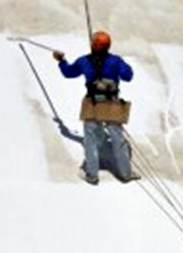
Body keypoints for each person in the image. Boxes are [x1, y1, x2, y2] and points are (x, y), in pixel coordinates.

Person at [54, 30, 137, 185]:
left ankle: (92, 175)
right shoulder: (115, 61)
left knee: (90, 141)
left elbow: (69, 73)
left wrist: (61, 60)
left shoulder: (84, 61)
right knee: (118, 140)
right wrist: (124, 66)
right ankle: (126, 174)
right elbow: (128, 76)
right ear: (108, 46)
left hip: (92, 105)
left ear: (92, 45)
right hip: (111, 105)